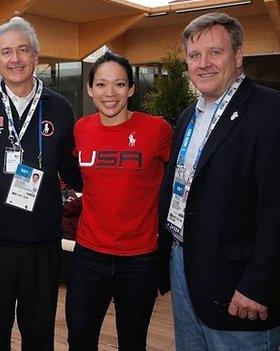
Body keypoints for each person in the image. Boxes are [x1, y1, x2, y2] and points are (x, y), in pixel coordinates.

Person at [0, 17, 82, 350]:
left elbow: (74, 167)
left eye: (23, 50)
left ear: (36, 56)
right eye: (6, 52)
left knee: (39, 335)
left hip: (43, 243)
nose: (15, 59)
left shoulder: (60, 107)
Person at [158, 12, 280, 350]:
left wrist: (258, 284)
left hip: (239, 282)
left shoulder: (270, 112)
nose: (204, 64)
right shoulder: (187, 117)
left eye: (215, 52)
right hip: (185, 267)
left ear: (238, 56)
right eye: (195, 55)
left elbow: (276, 211)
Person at [67, 52, 173, 350]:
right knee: (80, 338)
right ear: (90, 89)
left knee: (132, 341)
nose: (110, 94)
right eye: (101, 84)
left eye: (119, 84)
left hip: (140, 259)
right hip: (88, 254)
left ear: (131, 88)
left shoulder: (157, 130)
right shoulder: (81, 129)